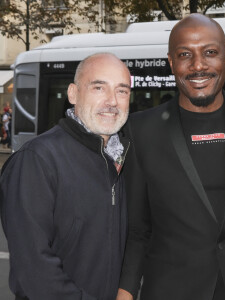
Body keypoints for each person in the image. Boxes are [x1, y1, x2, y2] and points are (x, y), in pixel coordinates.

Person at [116, 14, 225, 300]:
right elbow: (138, 228)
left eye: (210, 53)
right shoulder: (141, 130)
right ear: (171, 62)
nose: (198, 65)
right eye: (185, 54)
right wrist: (125, 291)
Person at [0, 53, 131, 300]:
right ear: (73, 94)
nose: (112, 101)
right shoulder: (36, 159)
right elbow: (34, 271)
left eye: (122, 91)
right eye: (99, 87)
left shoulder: (121, 158)